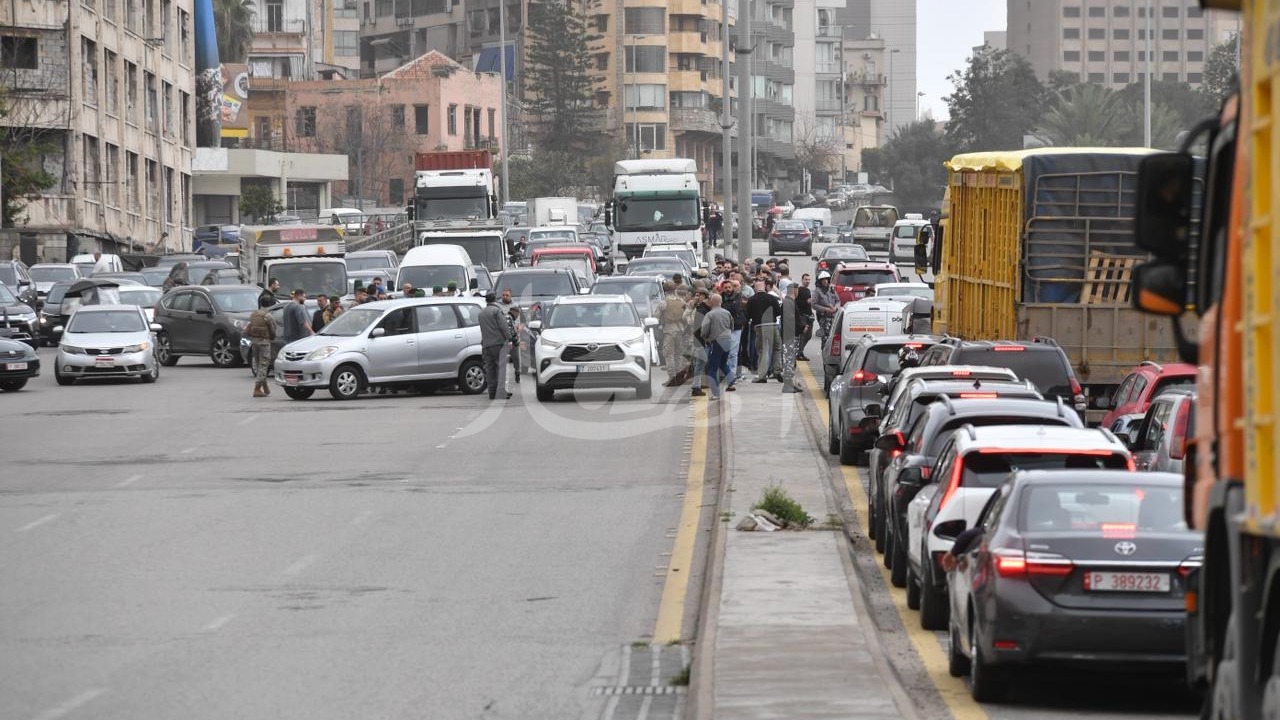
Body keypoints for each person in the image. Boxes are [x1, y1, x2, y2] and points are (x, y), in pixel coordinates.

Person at [479, 292, 516, 400]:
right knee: (501, 368)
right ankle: (500, 392)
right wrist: (510, 338)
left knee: (490, 368)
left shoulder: (481, 313)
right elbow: (504, 326)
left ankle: (492, 391)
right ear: (495, 299)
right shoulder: (496, 311)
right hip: (498, 344)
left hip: (486, 345)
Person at [746, 278, 782, 382]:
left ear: (755, 288)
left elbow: (748, 315)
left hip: (760, 326)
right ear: (764, 287)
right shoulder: (772, 298)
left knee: (762, 350)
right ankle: (777, 370)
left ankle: (762, 375)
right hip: (773, 325)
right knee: (776, 348)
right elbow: (778, 311)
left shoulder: (751, 300)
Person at [700, 293, 734, 399]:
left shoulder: (709, 314)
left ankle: (715, 393)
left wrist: (705, 338)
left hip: (716, 342)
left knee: (712, 367)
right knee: (723, 363)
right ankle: (731, 380)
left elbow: (704, 330)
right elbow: (732, 326)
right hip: (727, 340)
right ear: (721, 302)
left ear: (712, 302)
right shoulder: (727, 313)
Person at [247, 293, 278, 398]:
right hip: (264, 342)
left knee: (259, 365)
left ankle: (264, 387)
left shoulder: (253, 314)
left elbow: (249, 326)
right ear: (270, 304)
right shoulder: (268, 316)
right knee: (264, 365)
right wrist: (272, 337)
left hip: (254, 342)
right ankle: (257, 388)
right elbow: (273, 330)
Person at [659, 281, 689, 386]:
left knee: (669, 354)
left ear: (665, 290)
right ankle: (679, 377)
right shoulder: (681, 301)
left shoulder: (664, 302)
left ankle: (672, 378)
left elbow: (656, 316)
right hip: (681, 330)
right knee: (679, 354)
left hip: (669, 330)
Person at [779, 284, 805, 393]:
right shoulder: (788, 303)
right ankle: (787, 386)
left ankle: (791, 383)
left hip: (791, 335)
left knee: (791, 360)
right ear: (794, 290)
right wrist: (801, 327)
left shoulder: (789, 302)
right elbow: (790, 320)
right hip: (789, 336)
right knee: (789, 361)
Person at [686, 288, 711, 397]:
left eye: (698, 295)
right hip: (699, 339)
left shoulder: (702, 308)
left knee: (699, 364)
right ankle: (696, 387)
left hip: (698, 339)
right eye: (696, 295)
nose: (696, 297)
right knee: (699, 364)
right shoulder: (698, 309)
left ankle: (698, 385)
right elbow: (692, 322)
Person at [812, 271, 839, 342]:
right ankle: (824, 348)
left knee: (834, 337)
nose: (825, 281)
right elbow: (813, 304)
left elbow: (838, 301)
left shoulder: (832, 289)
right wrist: (825, 309)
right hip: (823, 317)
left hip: (834, 316)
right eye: (823, 279)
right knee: (826, 337)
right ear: (820, 281)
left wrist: (835, 308)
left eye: (826, 279)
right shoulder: (817, 291)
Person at [796, 273, 814, 361]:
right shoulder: (799, 290)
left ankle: (800, 351)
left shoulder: (808, 290)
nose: (807, 281)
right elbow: (798, 303)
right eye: (806, 279)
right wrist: (807, 301)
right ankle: (799, 353)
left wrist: (811, 313)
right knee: (803, 335)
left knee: (808, 336)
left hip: (809, 316)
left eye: (809, 280)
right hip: (802, 316)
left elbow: (809, 304)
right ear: (802, 280)